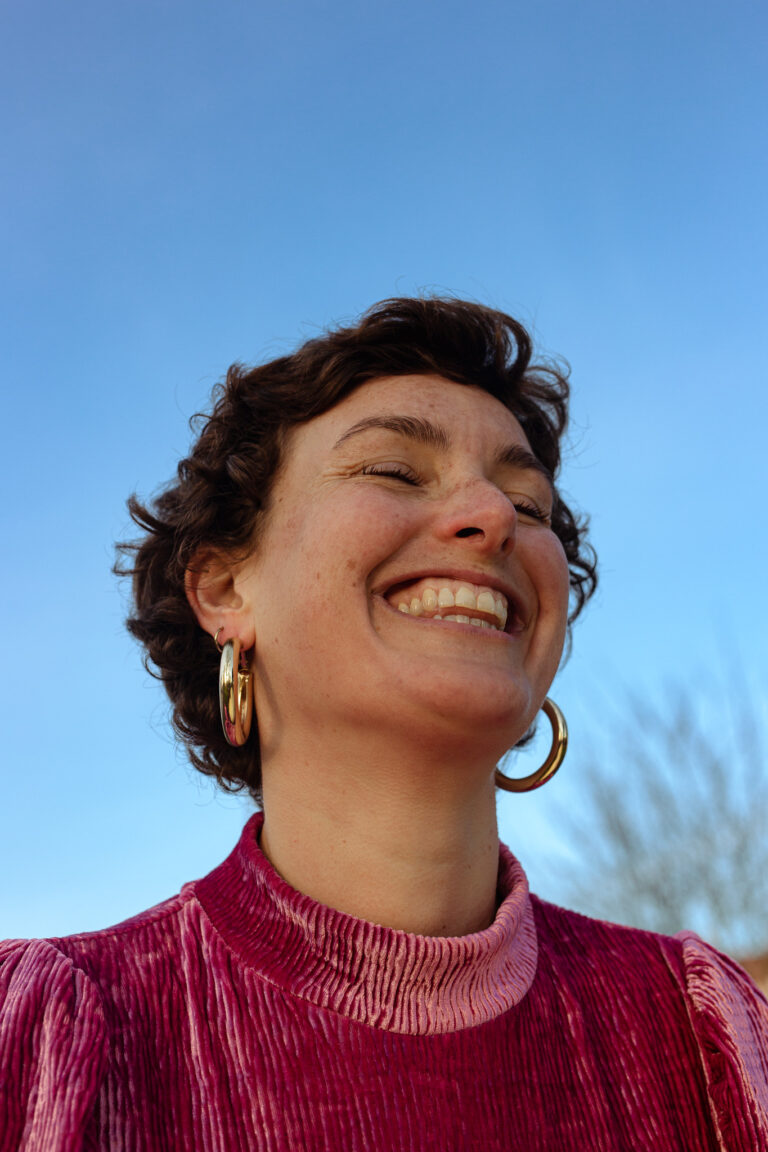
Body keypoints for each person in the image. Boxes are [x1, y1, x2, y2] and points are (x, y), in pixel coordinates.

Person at [1, 298, 766, 1151]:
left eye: (532, 504)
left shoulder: (713, 1044)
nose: (496, 517)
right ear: (223, 589)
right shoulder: (45, 1039)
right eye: (396, 472)